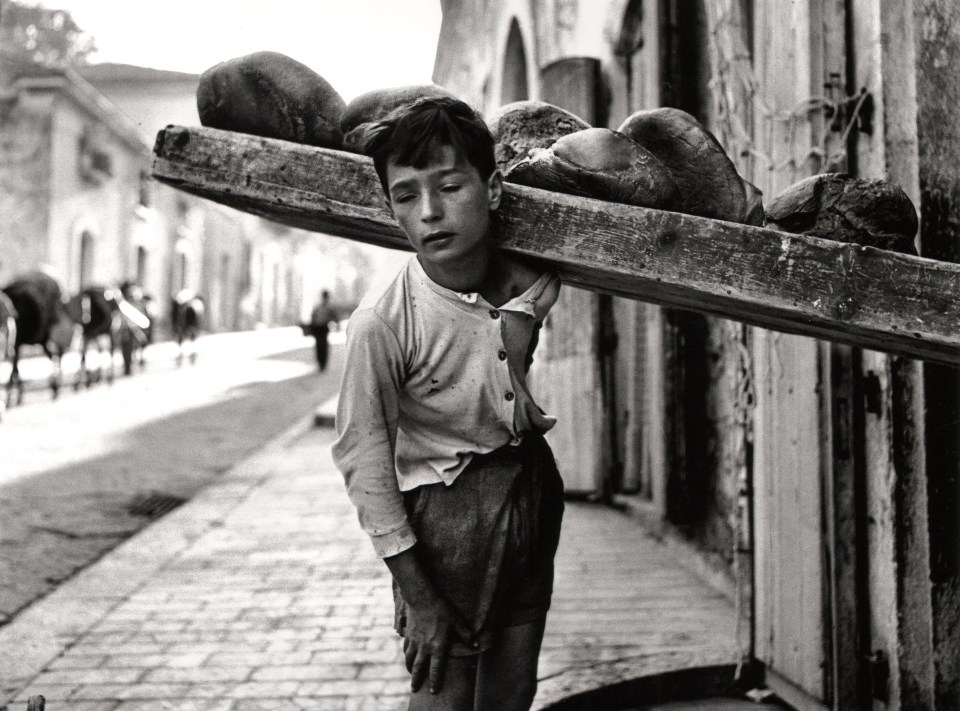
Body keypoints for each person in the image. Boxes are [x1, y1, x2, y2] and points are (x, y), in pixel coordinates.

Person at [331, 96, 564, 711]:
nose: (431, 212)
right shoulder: (382, 325)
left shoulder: (537, 279)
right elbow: (365, 464)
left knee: (513, 690)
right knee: (444, 696)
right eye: (406, 196)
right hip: (443, 518)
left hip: (530, 487)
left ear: (491, 189)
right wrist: (419, 596)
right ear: (390, 210)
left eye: (450, 186)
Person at [308, 290, 336, 371]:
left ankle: (322, 363)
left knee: (322, 345)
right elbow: (313, 316)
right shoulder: (321, 307)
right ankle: (321, 363)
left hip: (323, 328)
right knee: (320, 345)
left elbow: (334, 317)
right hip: (318, 328)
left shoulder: (327, 307)